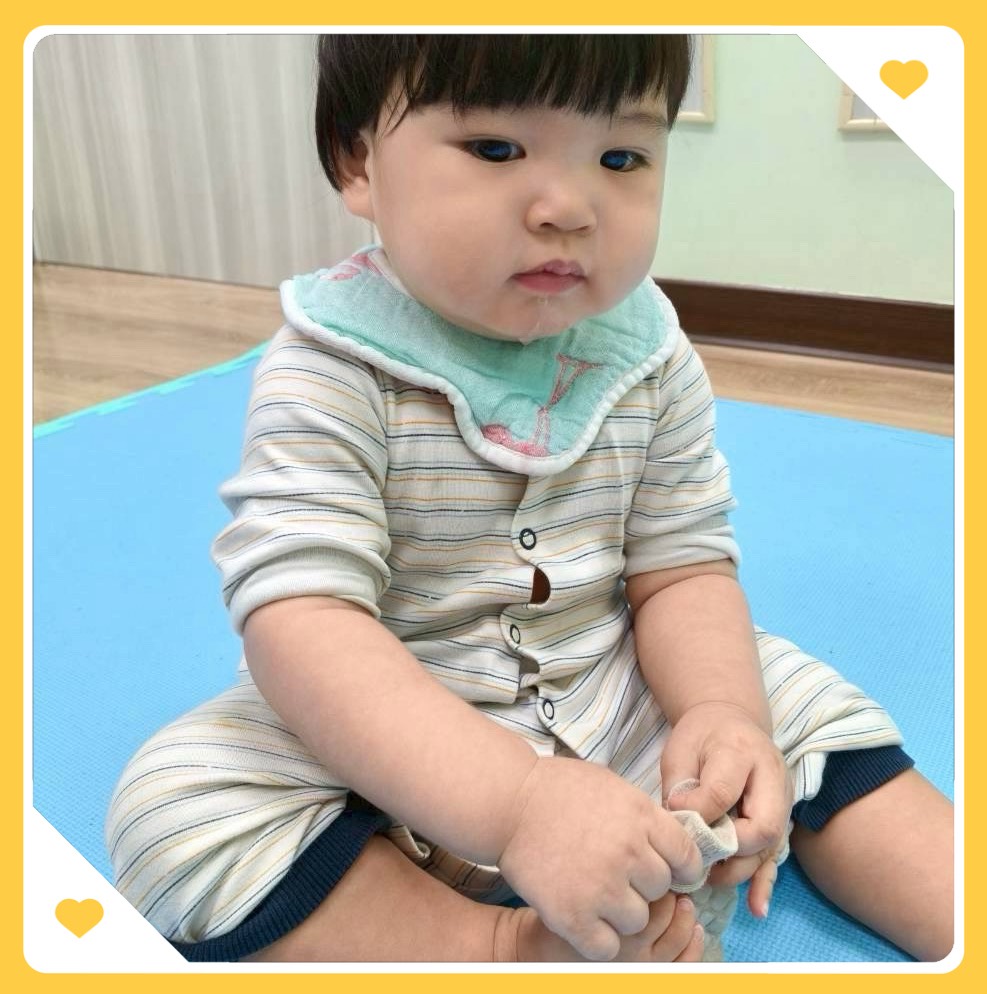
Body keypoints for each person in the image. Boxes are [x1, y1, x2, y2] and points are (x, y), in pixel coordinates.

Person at [105, 35, 953, 964]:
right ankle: (502, 947)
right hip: (383, 749)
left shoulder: (646, 356)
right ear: (358, 162)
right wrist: (516, 805)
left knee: (793, 700)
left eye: (619, 157)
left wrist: (721, 713)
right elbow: (302, 621)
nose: (568, 208)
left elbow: (679, 572)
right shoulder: (331, 366)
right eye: (496, 149)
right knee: (174, 805)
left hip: (611, 690)